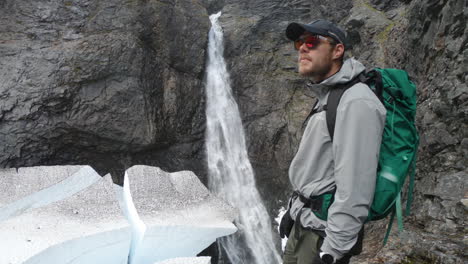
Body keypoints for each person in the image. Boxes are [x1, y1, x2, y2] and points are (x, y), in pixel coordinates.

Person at [280, 19, 387, 264]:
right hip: (303, 224)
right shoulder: (328, 96)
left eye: (311, 42)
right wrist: (293, 211)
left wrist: (334, 251)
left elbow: (356, 186)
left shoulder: (356, 101)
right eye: (299, 43)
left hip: (321, 235)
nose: (302, 48)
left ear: (337, 50)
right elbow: (316, 171)